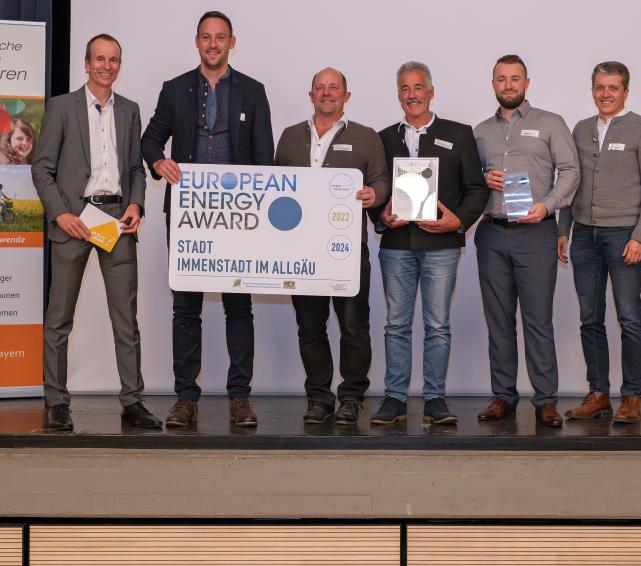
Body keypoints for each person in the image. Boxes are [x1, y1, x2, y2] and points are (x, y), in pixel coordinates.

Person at [142, 11, 274, 427]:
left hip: (238, 218)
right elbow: (149, 140)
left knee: (239, 308)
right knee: (186, 308)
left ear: (232, 43)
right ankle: (186, 398)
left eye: (220, 38)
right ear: (197, 42)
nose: (213, 44)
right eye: (206, 37)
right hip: (187, 215)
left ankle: (240, 398)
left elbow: (262, 159)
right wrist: (159, 162)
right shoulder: (175, 89)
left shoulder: (253, 92)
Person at [31, 34, 160, 431]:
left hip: (116, 221)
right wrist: (61, 215)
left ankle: (132, 402)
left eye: (114, 60)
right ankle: (56, 402)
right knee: (59, 319)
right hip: (74, 221)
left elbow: (137, 169)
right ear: (86, 64)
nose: (107, 66)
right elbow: (42, 168)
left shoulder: (131, 110)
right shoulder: (61, 107)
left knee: (126, 318)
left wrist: (137, 204)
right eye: (100, 59)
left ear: (119, 65)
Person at [370, 61, 488, 425]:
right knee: (395, 325)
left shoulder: (459, 133)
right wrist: (380, 218)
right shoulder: (383, 138)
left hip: (441, 248)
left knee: (438, 325)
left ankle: (435, 398)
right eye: (404, 89)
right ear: (398, 96)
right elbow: (375, 192)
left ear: (431, 91)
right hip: (396, 246)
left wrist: (459, 222)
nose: (412, 95)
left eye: (418, 87)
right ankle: (394, 398)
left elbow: (476, 189)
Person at [274, 67, 390, 425]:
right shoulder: (290, 137)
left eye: (334, 87)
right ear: (311, 95)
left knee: (354, 327)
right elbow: (276, 190)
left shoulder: (367, 137)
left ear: (346, 95)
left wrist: (376, 195)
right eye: (320, 88)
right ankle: (319, 397)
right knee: (310, 326)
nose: (327, 93)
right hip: (300, 252)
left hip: (347, 250)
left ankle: (352, 396)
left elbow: (381, 181)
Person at [473, 54, 580, 427]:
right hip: (492, 232)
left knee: (537, 320)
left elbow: (570, 171)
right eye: (501, 79)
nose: (508, 85)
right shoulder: (480, 130)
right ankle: (503, 396)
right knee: (498, 321)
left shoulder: (550, 123)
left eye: (515, 79)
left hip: (535, 232)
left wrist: (548, 205)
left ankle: (545, 400)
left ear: (527, 82)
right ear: (493, 84)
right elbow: (469, 181)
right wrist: (482, 179)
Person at [558, 61, 641, 424]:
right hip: (584, 235)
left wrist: (640, 238)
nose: (606, 94)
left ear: (625, 92)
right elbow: (570, 183)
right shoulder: (581, 129)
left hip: (624, 237)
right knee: (590, 318)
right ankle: (598, 392)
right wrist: (563, 229)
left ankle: (631, 396)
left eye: (613, 88)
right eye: (600, 87)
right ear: (593, 90)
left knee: (630, 318)